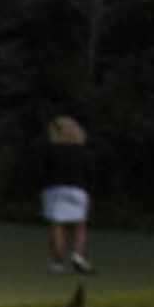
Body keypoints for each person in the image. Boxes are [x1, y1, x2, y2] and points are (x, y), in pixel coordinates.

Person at [42, 116, 93, 274]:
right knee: (80, 226)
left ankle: (57, 263)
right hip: (77, 189)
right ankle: (78, 255)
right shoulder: (82, 151)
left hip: (54, 189)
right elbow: (89, 173)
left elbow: (43, 171)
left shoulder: (51, 150)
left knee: (57, 226)